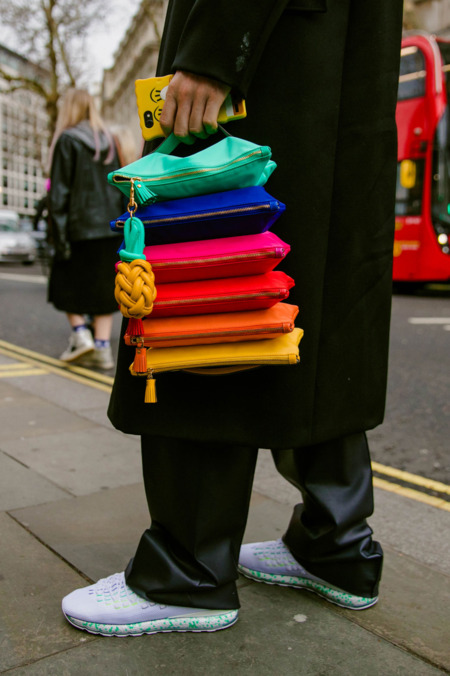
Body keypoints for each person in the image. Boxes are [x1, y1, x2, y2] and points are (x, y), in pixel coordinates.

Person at [61, 0, 403, 636]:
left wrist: (215, 50)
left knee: (213, 280)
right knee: (320, 301)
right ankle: (335, 543)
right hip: (340, 65)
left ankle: (187, 571)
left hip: (264, 55)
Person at [47, 88, 124, 370]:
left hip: (79, 229)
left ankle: (81, 335)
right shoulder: (109, 140)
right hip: (109, 228)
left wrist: (59, 237)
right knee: (104, 290)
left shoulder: (67, 140)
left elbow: (59, 195)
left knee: (64, 284)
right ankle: (102, 349)